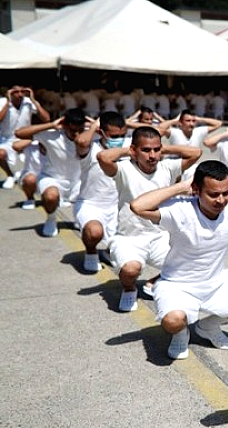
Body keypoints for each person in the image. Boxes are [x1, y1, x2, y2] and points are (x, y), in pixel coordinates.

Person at [130, 160, 228, 359]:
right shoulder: (180, 209)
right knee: (173, 321)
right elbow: (137, 206)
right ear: (196, 190)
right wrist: (181, 187)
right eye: (213, 194)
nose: (221, 200)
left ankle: (207, 326)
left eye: (225, 192)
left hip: (216, 283)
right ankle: (181, 333)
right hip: (177, 285)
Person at [97, 126, 201, 312]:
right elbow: (103, 157)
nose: (152, 155)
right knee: (131, 270)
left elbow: (196, 152)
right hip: (130, 238)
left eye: (156, 149)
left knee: (192, 262)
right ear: (133, 150)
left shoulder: (167, 167)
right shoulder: (124, 169)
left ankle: (153, 283)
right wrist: (131, 150)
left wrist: (162, 149)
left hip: (160, 236)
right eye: (146, 150)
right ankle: (129, 289)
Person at [15, 109, 85, 237]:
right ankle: (51, 219)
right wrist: (51, 125)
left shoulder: (89, 136)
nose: (77, 135)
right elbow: (19, 133)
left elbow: (120, 127)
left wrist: (94, 125)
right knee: (50, 196)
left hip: (78, 180)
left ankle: (78, 218)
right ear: (64, 126)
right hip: (53, 178)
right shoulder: (51, 135)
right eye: (72, 130)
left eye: (80, 130)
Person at [71, 111, 127, 272]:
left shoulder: (127, 147)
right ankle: (91, 251)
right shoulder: (91, 148)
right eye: (114, 136)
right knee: (94, 232)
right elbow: (81, 142)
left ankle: (109, 252)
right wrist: (96, 124)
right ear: (100, 132)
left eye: (122, 135)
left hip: (118, 207)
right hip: (91, 205)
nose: (119, 140)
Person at [0, 85, 51, 188]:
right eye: (16, 92)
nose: (20, 94)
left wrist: (34, 100)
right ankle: (10, 175)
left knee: (43, 149)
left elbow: (46, 119)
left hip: (26, 138)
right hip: (7, 140)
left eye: (22, 91)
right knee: (0, 154)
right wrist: (8, 103)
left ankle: (27, 175)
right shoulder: (2, 102)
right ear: (10, 93)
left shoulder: (28, 101)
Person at [160, 109, 223, 179]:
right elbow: (160, 128)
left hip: (191, 165)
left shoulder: (199, 131)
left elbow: (218, 124)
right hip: (174, 163)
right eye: (188, 121)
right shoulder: (174, 132)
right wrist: (175, 121)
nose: (191, 124)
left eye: (193, 121)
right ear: (180, 122)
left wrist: (199, 119)